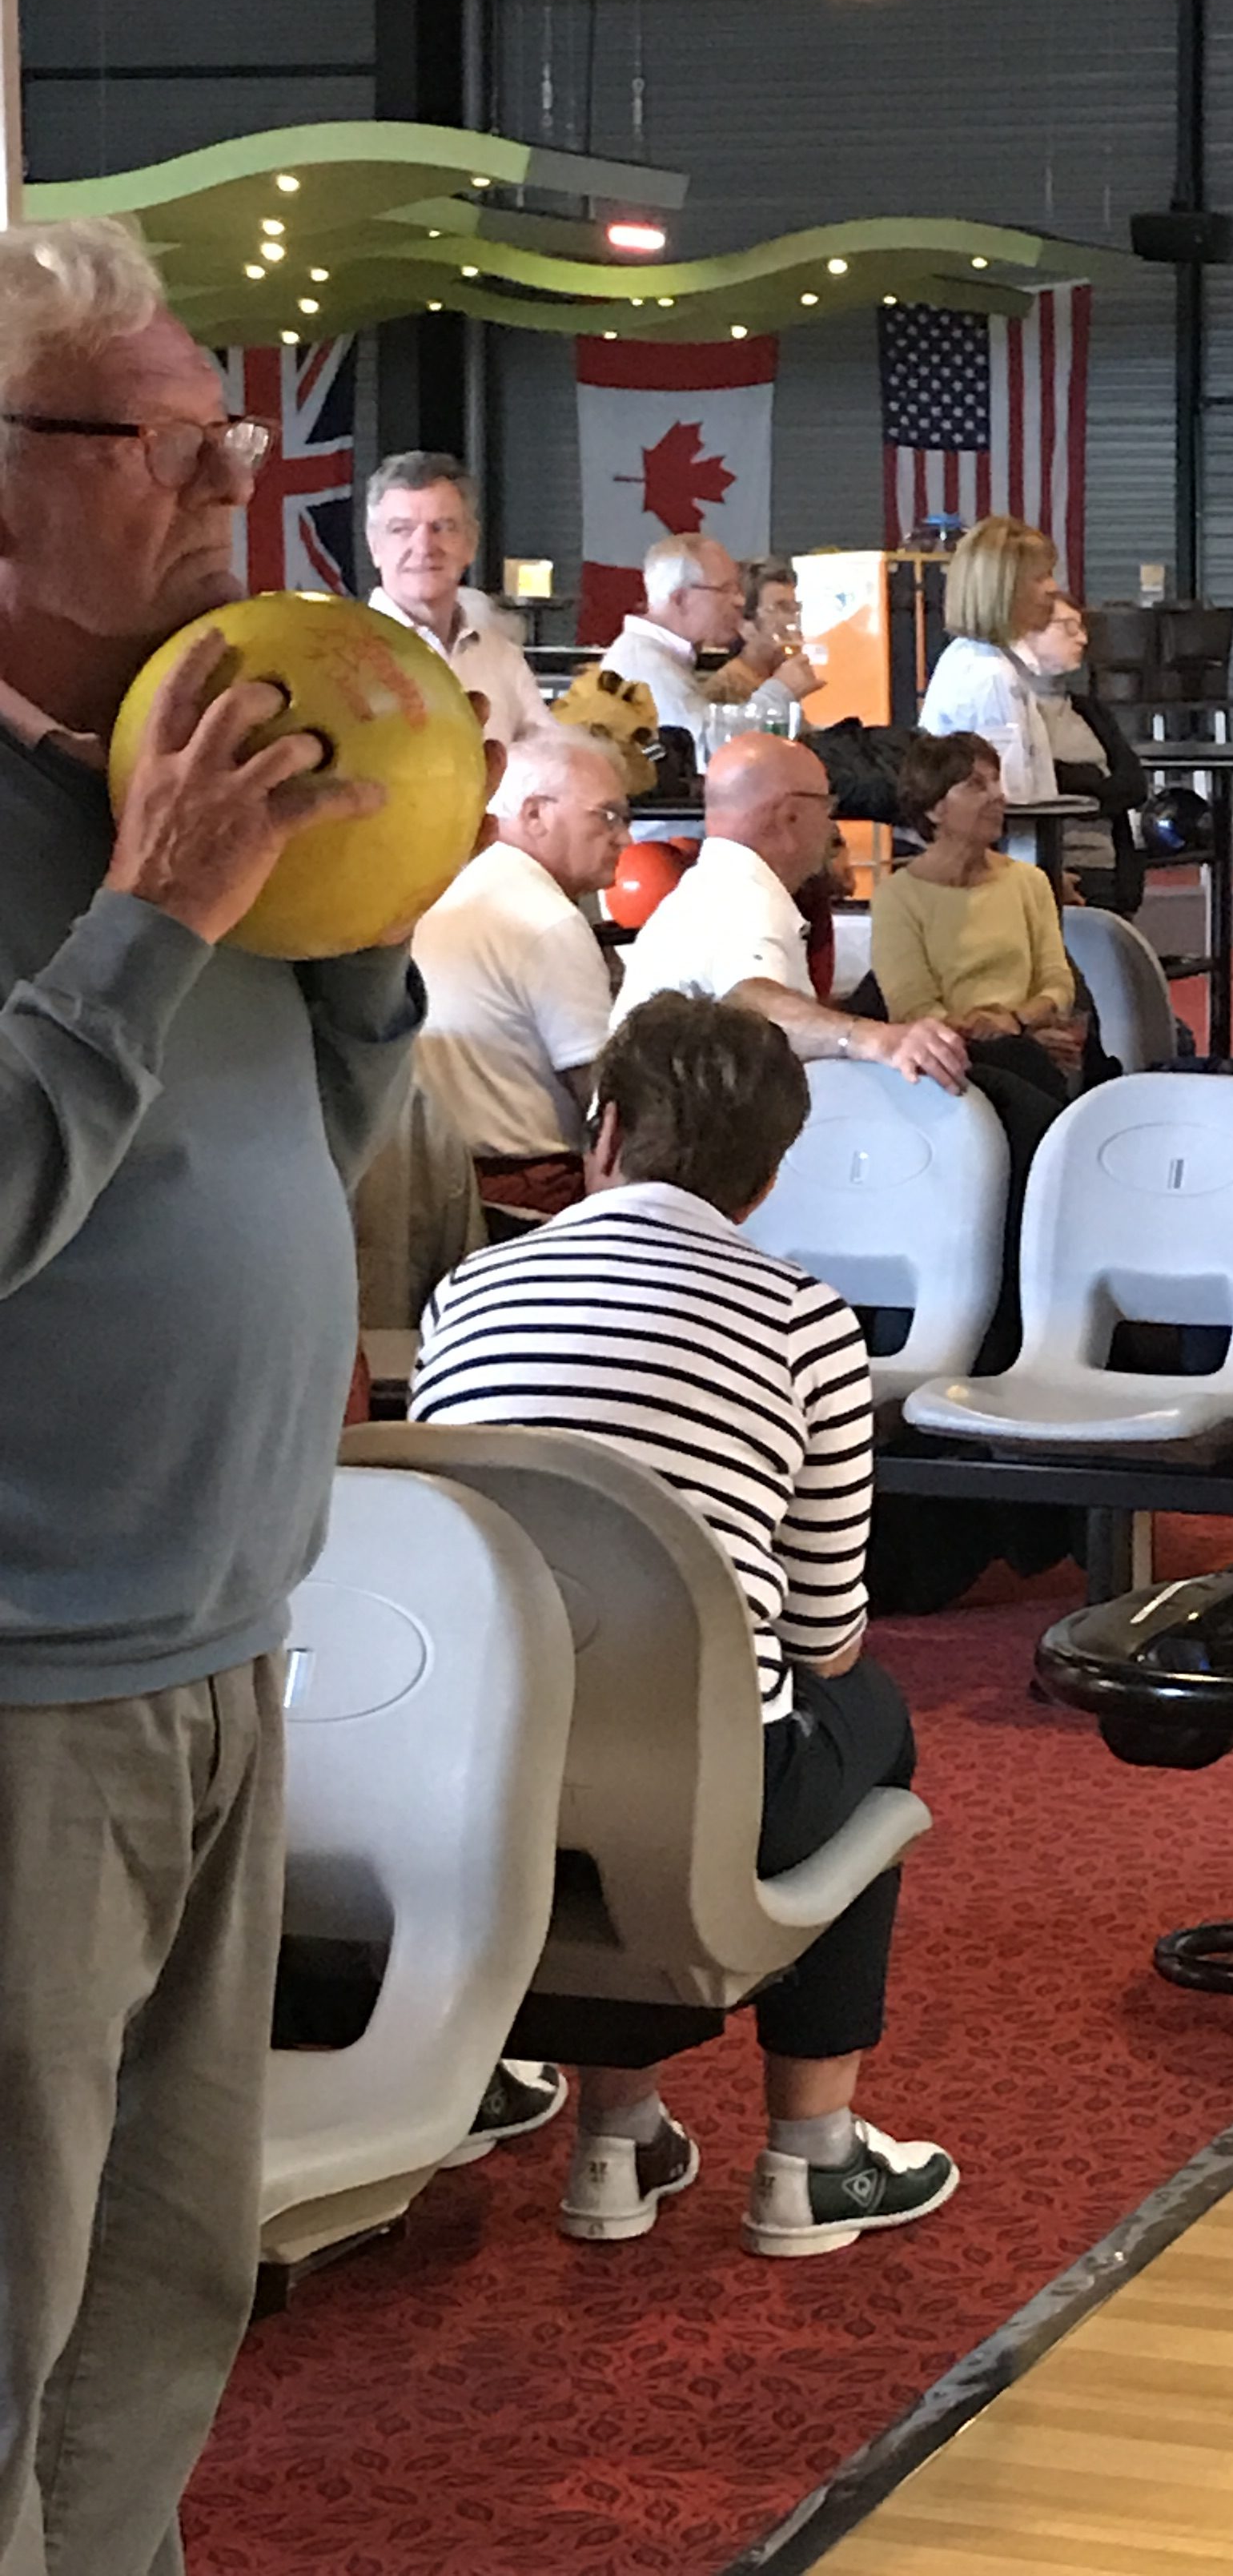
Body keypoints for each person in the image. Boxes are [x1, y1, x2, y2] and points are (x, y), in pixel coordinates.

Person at [0, 218, 435, 2575]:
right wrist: (147, 914)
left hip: (221, 1641)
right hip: (22, 1697)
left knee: (158, 2304)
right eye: (174, 441)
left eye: (234, 436)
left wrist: (353, 931)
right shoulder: (130, 844)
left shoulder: (191, 768)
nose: (232, 487)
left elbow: (294, 1146)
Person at [409, 991, 958, 2261]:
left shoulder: (470, 1292)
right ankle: (812, 2158)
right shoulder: (804, 1321)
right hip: (698, 1807)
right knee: (864, 1720)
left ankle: (623, 2133)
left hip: (462, 1791)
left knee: (587, 1702)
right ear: (765, 1183)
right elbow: (825, 1639)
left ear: (600, 1133)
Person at [613, 728, 969, 1089]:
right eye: (827, 807)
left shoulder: (716, 886)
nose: (832, 826)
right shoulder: (743, 896)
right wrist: (874, 1040)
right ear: (790, 816)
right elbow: (753, 1004)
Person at [413, 724, 629, 1212]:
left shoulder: (456, 880)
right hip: (527, 1194)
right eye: (608, 817)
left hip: (430, 1178)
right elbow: (601, 1096)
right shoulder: (546, 920)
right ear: (534, 814)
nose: (625, 838)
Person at [872, 732, 1083, 1104]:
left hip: (1026, 1040)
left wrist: (1016, 1023)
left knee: (1037, 1066)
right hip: (950, 1059)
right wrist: (1015, 1036)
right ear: (934, 807)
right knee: (1026, 1068)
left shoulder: (1028, 881)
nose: (998, 795)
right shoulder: (898, 896)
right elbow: (913, 1008)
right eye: (976, 785)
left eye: (996, 781)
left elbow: (1057, 983)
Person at [363, 447, 549, 748]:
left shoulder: (502, 658)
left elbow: (550, 758)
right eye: (401, 529)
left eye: (443, 527)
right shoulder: (341, 656)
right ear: (374, 546)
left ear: (471, 544)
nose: (424, 546)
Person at [604, 534, 821, 747]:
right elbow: (706, 745)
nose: (740, 601)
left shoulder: (656, 658)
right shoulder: (645, 666)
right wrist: (779, 693)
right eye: (725, 589)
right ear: (681, 599)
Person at [1014, 588, 1147, 910]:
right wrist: (1094, 780)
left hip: (1107, 867)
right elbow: (1025, 777)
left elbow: (1133, 785)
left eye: (1083, 628)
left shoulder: (1090, 711)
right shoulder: (1011, 708)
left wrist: (1081, 783)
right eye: (1067, 628)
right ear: (1027, 632)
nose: (1082, 639)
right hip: (1049, 865)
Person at [917, 514, 1058, 802]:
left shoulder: (970, 659)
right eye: (1040, 577)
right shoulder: (990, 676)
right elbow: (1012, 795)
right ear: (1004, 590)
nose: (1053, 589)